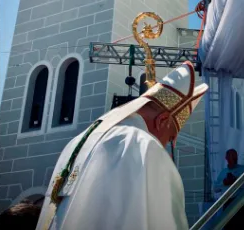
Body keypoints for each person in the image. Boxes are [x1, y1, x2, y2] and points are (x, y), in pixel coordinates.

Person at [36, 62, 207, 230]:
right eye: (170, 138)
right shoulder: (143, 146)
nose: (165, 145)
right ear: (162, 120)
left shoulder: (76, 142)